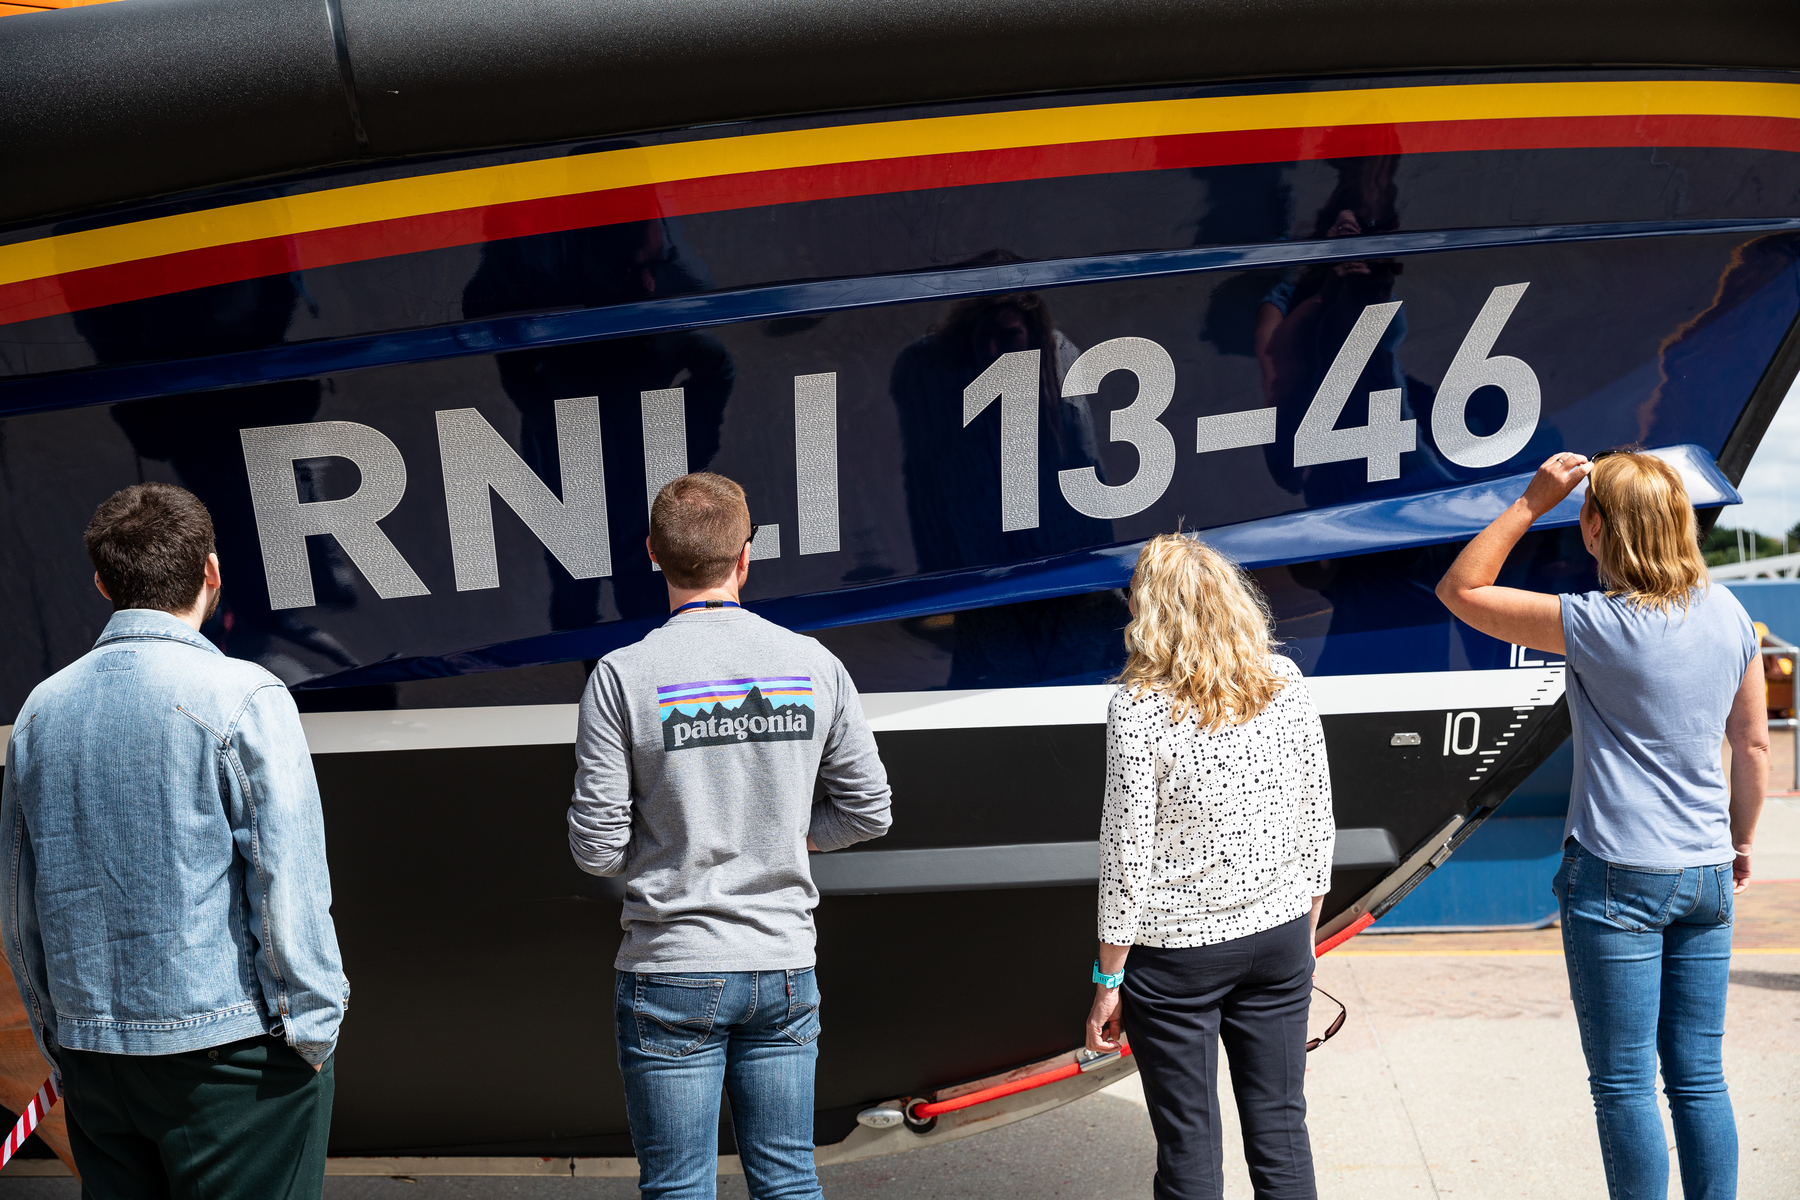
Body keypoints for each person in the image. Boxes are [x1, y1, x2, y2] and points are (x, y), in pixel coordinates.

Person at [0, 482, 347, 1199]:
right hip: (232, 1065)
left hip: (97, 1057)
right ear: (211, 571)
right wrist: (311, 1034)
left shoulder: (39, 712)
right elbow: (287, 881)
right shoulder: (245, 696)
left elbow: (19, 903)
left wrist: (58, 1042)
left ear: (102, 583)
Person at [1436, 449, 1766, 1199]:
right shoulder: (1731, 615)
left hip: (1618, 875)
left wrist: (1529, 501)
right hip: (1708, 871)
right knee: (1700, 1078)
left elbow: (1461, 588)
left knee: (1624, 1085)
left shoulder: (1595, 624)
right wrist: (1742, 842)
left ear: (1594, 529)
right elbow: (1750, 745)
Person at [567, 472, 892, 1200]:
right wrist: (791, 842)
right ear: (746, 556)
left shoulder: (623, 676)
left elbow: (594, 847)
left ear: (653, 554)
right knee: (787, 1181)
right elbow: (870, 809)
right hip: (781, 963)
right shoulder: (814, 664)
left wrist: (667, 851)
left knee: (679, 1187)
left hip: (670, 967)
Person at [1085, 533, 1335, 1200]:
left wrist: (1108, 980)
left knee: (1190, 1147)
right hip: (1279, 938)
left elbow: (1126, 857)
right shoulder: (1285, 682)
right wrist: (1303, 933)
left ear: (1149, 612)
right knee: (1282, 1131)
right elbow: (1318, 817)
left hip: (1176, 962)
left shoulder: (1137, 710)